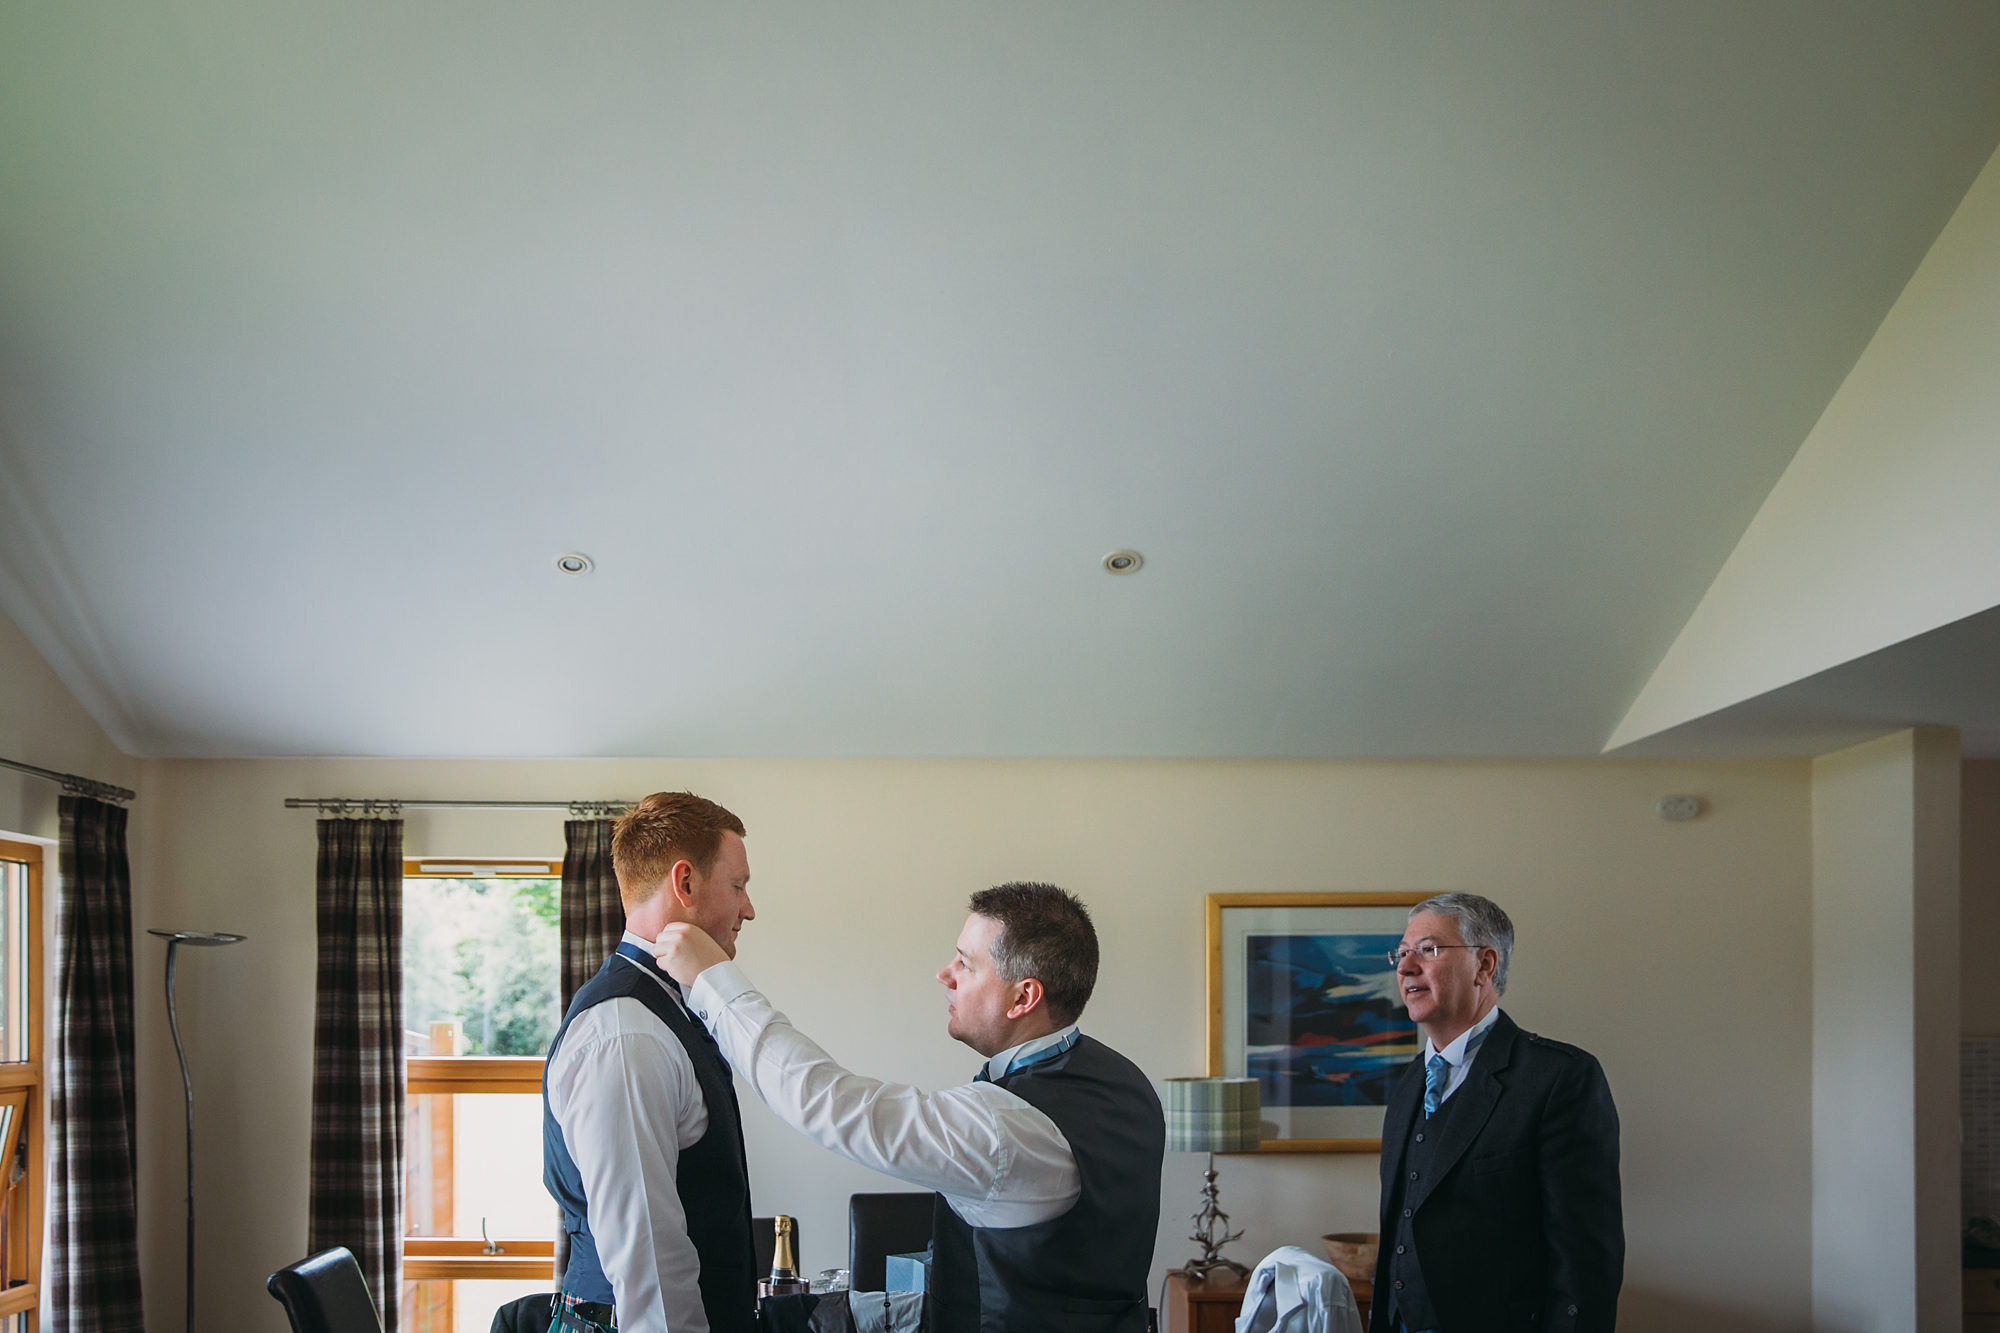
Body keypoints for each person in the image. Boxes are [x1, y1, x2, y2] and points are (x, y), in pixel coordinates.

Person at [654, 881, 1165, 1333]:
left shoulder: (1009, 1132)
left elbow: (826, 1102)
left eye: (965, 963)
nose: (945, 974)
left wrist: (714, 981)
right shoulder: (1124, 1083)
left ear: (1023, 997)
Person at [542, 792, 760, 1333]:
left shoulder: (664, 1009)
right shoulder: (624, 1033)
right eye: (738, 886)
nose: (749, 908)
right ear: (684, 883)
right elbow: (646, 1255)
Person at [1372, 893, 1623, 1333]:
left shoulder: (1559, 1078)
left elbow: (1585, 1261)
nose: (1405, 967)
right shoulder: (1410, 1083)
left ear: (1484, 966)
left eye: (1427, 950)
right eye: (1402, 952)